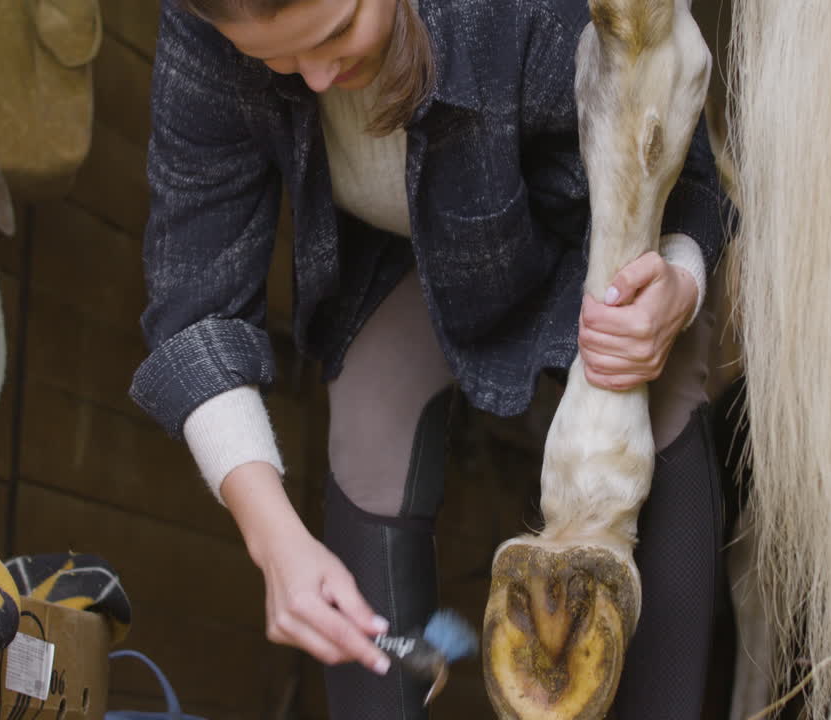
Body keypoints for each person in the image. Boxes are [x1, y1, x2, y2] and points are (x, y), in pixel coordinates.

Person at [130, 0, 732, 717]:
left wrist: (681, 282)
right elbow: (195, 302)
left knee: (664, 400)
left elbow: (689, 164)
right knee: (368, 429)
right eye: (280, 59)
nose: (318, 78)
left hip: (593, 235)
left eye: (335, 34)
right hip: (403, 251)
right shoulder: (202, 32)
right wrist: (275, 541)